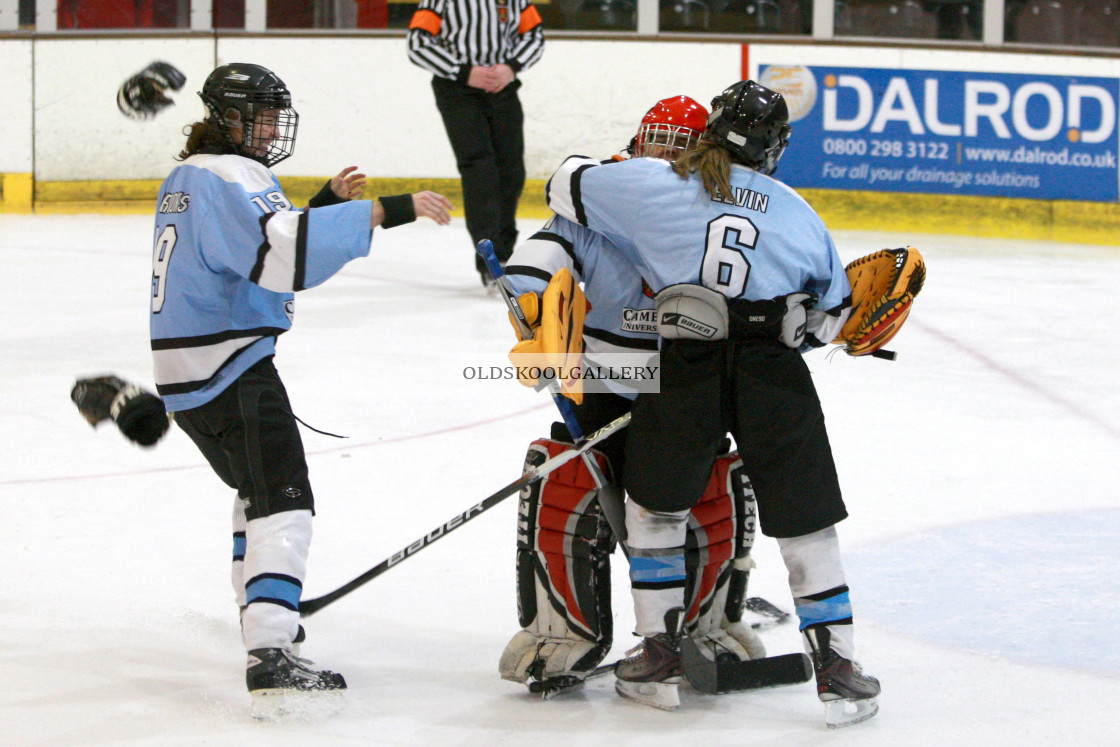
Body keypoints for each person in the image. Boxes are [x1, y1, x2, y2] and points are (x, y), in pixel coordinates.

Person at [543, 80, 881, 725]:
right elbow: (831, 317)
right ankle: (837, 666)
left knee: (656, 505)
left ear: (707, 133)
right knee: (807, 519)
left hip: (687, 361)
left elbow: (563, 182)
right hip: (771, 371)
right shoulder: (797, 210)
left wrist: (627, 168)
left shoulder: (655, 185)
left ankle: (658, 654)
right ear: (774, 147)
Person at [149, 62, 453, 716]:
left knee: (255, 488)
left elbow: (253, 252)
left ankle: (261, 606)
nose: (268, 130)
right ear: (228, 118)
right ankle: (271, 647)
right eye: (258, 117)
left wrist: (319, 204)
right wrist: (384, 210)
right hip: (229, 367)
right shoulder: (233, 174)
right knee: (285, 493)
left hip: (189, 374)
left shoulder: (192, 174)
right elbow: (281, 256)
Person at [496, 96, 766, 697]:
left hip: (684, 383)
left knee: (708, 489)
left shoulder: (720, 208)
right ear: (638, 140)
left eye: (681, 143)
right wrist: (533, 309)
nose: (665, 153)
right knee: (565, 482)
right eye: (657, 139)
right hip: (599, 379)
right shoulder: (606, 196)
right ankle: (562, 630)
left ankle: (706, 624)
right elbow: (540, 257)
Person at [406, 0, 545, 289]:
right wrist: (462, 70)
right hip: (458, 90)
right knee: (480, 169)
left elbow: (534, 35)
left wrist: (511, 66)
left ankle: (505, 251)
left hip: (502, 89)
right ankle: (491, 260)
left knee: (511, 171)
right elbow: (417, 44)